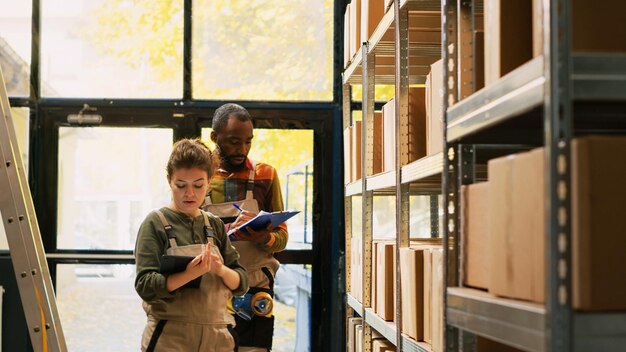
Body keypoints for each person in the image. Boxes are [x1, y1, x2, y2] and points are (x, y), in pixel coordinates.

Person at [135, 138, 248, 352]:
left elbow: (241, 281)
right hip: (170, 338)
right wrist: (188, 274)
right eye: (181, 185)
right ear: (169, 181)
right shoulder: (155, 223)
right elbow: (145, 285)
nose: (190, 193)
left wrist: (219, 270)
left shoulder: (213, 224)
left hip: (218, 339)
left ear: (209, 183)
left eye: (198, 185)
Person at [203, 103, 288, 352]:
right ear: (214, 137)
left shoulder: (266, 175)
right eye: (233, 141)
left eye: (248, 141)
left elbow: (282, 237)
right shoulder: (201, 179)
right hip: (212, 287)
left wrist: (266, 238)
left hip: (256, 287)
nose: (242, 149)